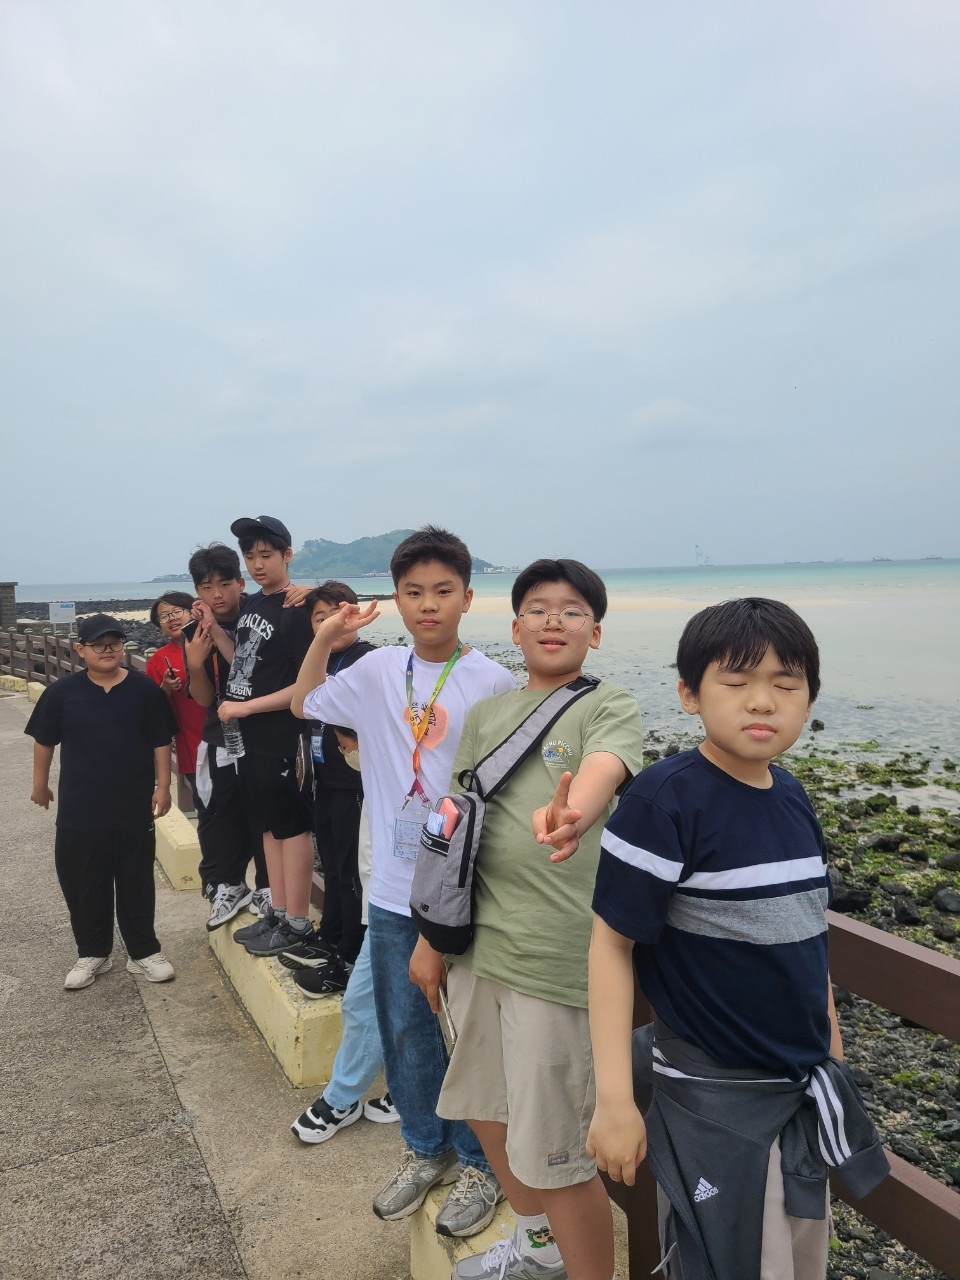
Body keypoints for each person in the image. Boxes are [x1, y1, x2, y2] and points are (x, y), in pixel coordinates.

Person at [588, 598, 883, 1280]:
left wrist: (833, 1054)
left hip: (800, 1090)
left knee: (800, 1258)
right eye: (737, 681)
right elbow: (610, 946)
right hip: (715, 1100)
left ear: (809, 697)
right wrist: (615, 1102)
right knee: (725, 1259)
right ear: (690, 694)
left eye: (786, 683)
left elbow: (807, 935)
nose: (763, 701)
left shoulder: (793, 797)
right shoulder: (664, 801)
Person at [411, 559, 643, 1280]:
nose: (553, 621)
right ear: (515, 629)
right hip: (477, 949)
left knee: (557, 1152)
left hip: (555, 958)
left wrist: (576, 811)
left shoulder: (608, 704)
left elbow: (605, 765)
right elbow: (453, 825)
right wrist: (430, 940)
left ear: (594, 633)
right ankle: (539, 1248)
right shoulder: (487, 715)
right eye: (538, 608)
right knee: (486, 1111)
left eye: (572, 611)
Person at [291, 526, 515, 1238]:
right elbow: (303, 703)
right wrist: (325, 639)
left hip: (466, 890)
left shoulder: (494, 682)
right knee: (405, 1026)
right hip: (392, 887)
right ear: (396, 598)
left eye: (443, 591)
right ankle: (425, 1149)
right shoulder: (378, 670)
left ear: (467, 598)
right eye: (413, 592)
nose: (428, 605)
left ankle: (481, 1163)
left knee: (469, 1031)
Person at [25, 613, 177, 990]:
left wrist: (163, 786)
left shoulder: (144, 690)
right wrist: (40, 784)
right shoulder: (62, 693)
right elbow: (44, 739)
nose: (108, 650)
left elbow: (161, 740)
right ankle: (93, 952)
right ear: (81, 649)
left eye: (114, 643)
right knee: (83, 881)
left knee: (135, 880)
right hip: (80, 808)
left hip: (133, 806)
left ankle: (143, 952)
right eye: (98, 644)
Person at [217, 516, 316, 956]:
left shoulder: (298, 607)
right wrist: (213, 629)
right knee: (267, 824)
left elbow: (307, 684)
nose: (257, 564)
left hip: (281, 733)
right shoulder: (254, 604)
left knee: (291, 826)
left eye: (266, 555)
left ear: (287, 555)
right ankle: (276, 910)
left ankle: (298, 921)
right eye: (250, 556)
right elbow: (244, 662)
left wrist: (246, 707)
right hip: (249, 734)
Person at [280, 581, 376, 988]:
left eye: (339, 614)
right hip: (324, 780)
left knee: (353, 871)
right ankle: (331, 936)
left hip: (356, 783)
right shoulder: (318, 659)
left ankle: (351, 955)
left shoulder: (367, 659)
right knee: (334, 865)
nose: (331, 624)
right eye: (320, 618)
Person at [181, 543, 269, 926]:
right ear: (197, 591)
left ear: (240, 582)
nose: (216, 594)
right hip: (221, 736)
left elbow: (253, 673)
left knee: (266, 812)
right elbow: (203, 698)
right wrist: (194, 665)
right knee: (221, 813)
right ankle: (229, 885)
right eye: (206, 587)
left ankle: (268, 887)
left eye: (224, 584)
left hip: (265, 732)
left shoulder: (261, 614)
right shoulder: (192, 631)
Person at [145, 591, 206, 812]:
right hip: (194, 749)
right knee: (210, 813)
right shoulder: (158, 660)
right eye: (163, 616)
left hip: (234, 742)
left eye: (177, 611)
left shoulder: (217, 641)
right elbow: (150, 710)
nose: (171, 619)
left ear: (193, 611)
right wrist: (166, 687)